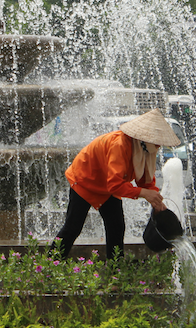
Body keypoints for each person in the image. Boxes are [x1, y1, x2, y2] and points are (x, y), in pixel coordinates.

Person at [54, 108, 180, 260]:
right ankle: (50, 265)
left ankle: (115, 272)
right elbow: (115, 185)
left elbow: (145, 180)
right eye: (157, 141)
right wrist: (143, 193)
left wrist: (156, 201)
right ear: (144, 137)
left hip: (108, 185)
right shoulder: (120, 146)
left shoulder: (145, 150)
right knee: (73, 228)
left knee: (116, 227)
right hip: (85, 179)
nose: (159, 146)